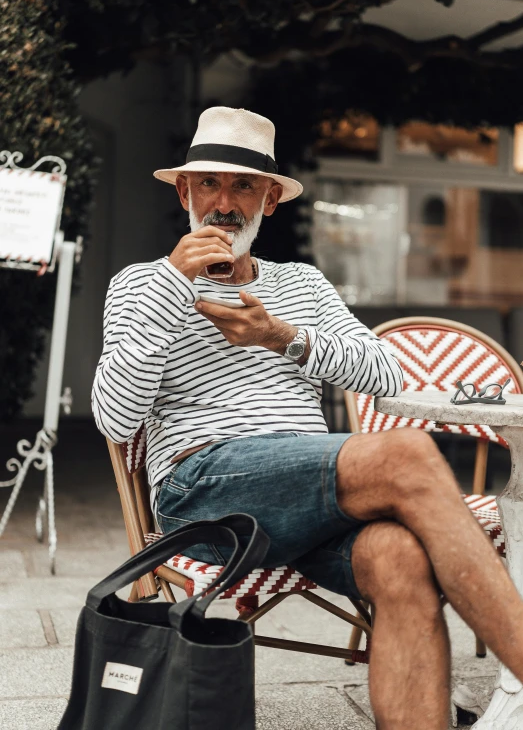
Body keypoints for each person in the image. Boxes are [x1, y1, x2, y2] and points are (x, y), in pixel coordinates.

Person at [92, 106, 523, 729]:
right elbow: (114, 418)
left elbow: (387, 375)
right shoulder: (139, 286)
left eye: (245, 185)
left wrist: (283, 336)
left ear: (270, 201)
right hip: (206, 492)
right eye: (209, 182)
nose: (225, 202)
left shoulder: (302, 284)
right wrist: (171, 286)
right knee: (404, 453)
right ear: (184, 192)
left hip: (311, 498)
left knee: (399, 555)